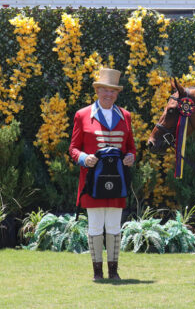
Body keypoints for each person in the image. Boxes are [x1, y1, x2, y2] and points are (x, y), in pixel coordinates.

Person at [69, 67, 135, 282]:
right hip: (92, 181)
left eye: (113, 91)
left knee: (115, 226)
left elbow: (131, 147)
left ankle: (114, 271)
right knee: (96, 225)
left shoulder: (126, 116)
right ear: (97, 91)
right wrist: (83, 158)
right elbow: (73, 148)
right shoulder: (82, 115)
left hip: (117, 180)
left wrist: (130, 157)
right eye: (104, 90)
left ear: (117, 94)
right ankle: (97, 272)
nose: (109, 95)